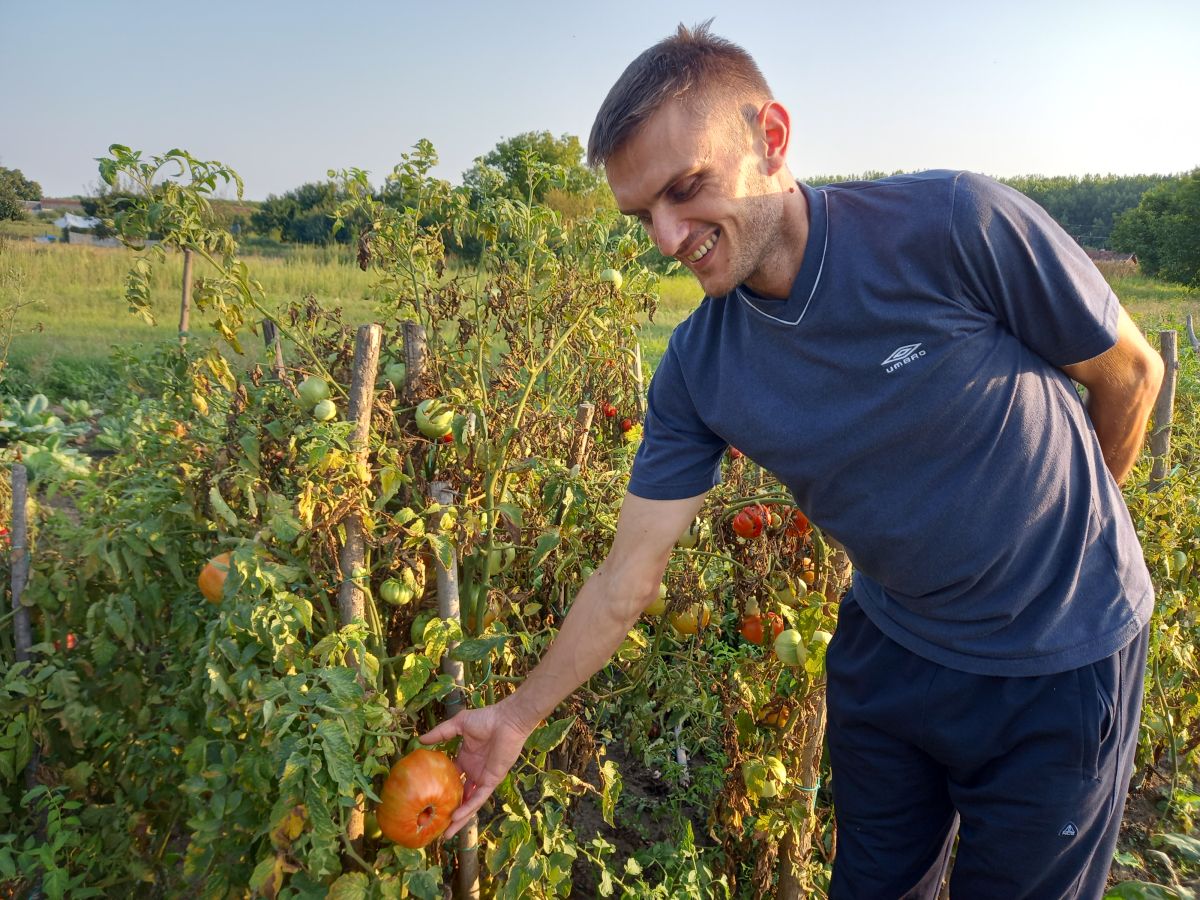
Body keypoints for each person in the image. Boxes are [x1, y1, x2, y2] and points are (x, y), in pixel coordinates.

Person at [421, 22, 1164, 898]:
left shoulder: (952, 225)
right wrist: (515, 716)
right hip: (893, 649)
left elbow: (1130, 372)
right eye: (642, 215)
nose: (666, 237)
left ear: (771, 139)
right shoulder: (701, 368)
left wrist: (1078, 539)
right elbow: (628, 575)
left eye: (686, 188)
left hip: (1055, 666)